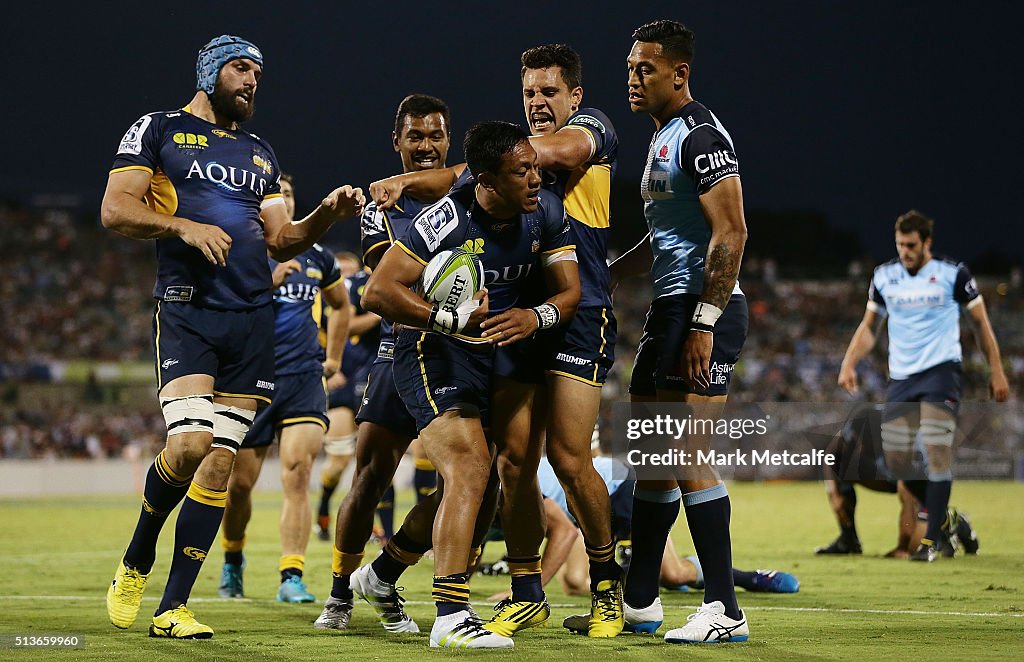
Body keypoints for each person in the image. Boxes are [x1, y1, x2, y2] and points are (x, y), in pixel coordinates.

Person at [101, 35, 363, 639]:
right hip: (189, 310)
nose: (251, 82)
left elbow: (282, 240)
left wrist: (325, 213)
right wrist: (184, 227)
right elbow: (115, 210)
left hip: (253, 323)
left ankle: (172, 608)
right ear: (211, 71)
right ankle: (138, 555)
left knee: (219, 465)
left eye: (258, 74)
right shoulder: (157, 130)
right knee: (190, 446)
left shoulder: (260, 153)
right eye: (242, 69)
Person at [367, 45, 624, 638]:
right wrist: (425, 181)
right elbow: (469, 181)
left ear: (575, 97)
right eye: (529, 92)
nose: (538, 103)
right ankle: (525, 591)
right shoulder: (496, 189)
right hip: (512, 319)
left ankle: (609, 590)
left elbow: (523, 158)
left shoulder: (590, 133)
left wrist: (424, 175)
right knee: (510, 463)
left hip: (576, 314)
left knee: (566, 454)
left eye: (549, 92)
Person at [360, 121, 579, 649]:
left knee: (482, 489)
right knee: (470, 468)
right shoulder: (444, 222)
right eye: (521, 171)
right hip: (431, 351)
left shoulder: (545, 211)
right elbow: (377, 291)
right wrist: (447, 318)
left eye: (535, 167)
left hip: (498, 353)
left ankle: (382, 575)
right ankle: (450, 617)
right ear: (485, 180)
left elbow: (569, 291)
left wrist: (537, 317)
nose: (535, 178)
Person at [608, 20, 750, 644]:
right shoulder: (662, 138)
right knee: (653, 462)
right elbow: (663, 236)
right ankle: (640, 600)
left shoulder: (699, 137)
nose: (633, 79)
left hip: (699, 310)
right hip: (669, 310)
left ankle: (724, 608)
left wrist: (705, 323)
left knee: (687, 454)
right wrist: (604, 273)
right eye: (631, 68)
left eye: (646, 69)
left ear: (679, 72)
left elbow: (733, 231)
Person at [314, 95, 452, 633]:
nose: (425, 146)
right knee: (371, 477)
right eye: (414, 136)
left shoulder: (470, 192)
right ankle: (339, 594)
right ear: (397, 143)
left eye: (435, 136)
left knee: (471, 482)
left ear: (448, 140)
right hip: (401, 353)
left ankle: (385, 576)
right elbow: (382, 284)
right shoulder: (380, 205)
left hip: (460, 354)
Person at [838, 209, 1007, 561]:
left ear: (927, 242)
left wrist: (997, 370)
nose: (905, 251)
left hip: (941, 373)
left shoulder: (952, 274)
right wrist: (849, 361)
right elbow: (870, 327)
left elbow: (980, 324)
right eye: (900, 244)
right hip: (901, 378)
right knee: (899, 464)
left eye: (911, 245)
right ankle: (952, 520)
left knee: (934, 451)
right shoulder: (884, 277)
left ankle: (931, 541)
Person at [217, 174, 349, 604]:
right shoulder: (241, 255)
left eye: (289, 195)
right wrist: (266, 284)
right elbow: (221, 310)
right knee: (239, 487)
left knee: (298, 472)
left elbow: (341, 306)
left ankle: (291, 574)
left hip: (303, 378)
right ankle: (233, 560)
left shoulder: (319, 257)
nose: (285, 201)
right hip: (250, 378)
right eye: (277, 196)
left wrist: (334, 359)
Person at [315, 252, 382, 543]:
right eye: (339, 272)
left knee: (373, 460)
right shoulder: (327, 306)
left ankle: (372, 526)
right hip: (341, 383)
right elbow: (334, 332)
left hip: (370, 379)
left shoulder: (369, 286)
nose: (344, 279)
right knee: (339, 461)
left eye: (349, 272)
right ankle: (324, 505)